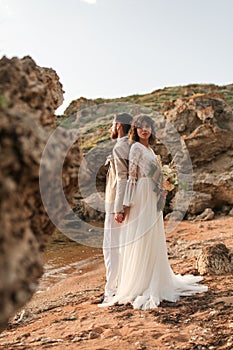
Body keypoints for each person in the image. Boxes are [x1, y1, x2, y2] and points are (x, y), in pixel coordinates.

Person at [100, 114, 208, 310]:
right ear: (135, 129)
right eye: (140, 127)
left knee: (152, 236)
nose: (144, 130)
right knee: (141, 235)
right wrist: (125, 204)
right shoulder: (136, 148)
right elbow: (132, 177)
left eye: (148, 126)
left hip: (150, 195)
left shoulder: (149, 148)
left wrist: (163, 184)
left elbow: (143, 174)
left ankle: (150, 278)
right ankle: (137, 281)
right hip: (141, 195)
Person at [102, 112, 133, 303]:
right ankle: (121, 283)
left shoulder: (121, 146)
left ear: (119, 125)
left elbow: (122, 178)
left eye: (112, 124)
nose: (111, 128)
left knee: (111, 247)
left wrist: (118, 208)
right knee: (121, 246)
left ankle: (111, 289)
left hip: (116, 202)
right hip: (124, 202)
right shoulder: (131, 146)